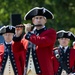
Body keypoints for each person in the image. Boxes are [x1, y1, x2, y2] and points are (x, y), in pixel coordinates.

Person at [23, 7, 56, 75]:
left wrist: (28, 34)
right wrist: (17, 36)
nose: (38, 20)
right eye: (36, 18)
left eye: (41, 18)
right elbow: (17, 49)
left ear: (45, 20)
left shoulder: (50, 32)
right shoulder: (27, 35)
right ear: (33, 21)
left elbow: (41, 42)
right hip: (28, 71)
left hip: (44, 71)